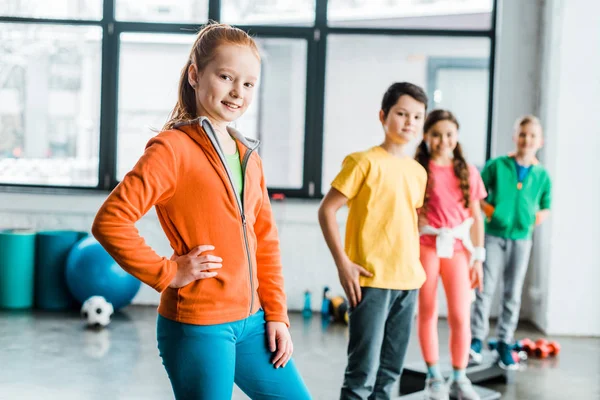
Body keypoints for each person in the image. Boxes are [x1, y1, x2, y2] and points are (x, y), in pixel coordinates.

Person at [92, 22, 311, 400]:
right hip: (199, 324)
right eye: (226, 76)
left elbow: (265, 242)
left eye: (248, 84)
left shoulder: (248, 157)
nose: (237, 92)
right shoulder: (171, 149)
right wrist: (168, 272)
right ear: (196, 74)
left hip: (253, 322)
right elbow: (110, 221)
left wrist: (276, 313)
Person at [318, 82, 428, 400]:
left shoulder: (418, 172)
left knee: (390, 373)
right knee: (361, 373)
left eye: (417, 117)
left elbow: (407, 221)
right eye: (402, 114)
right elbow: (327, 211)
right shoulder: (362, 162)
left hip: (409, 281)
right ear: (384, 116)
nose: (409, 122)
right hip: (371, 280)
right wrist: (343, 264)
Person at [414, 109, 486, 400]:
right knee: (428, 312)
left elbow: (477, 218)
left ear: (456, 137)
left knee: (460, 315)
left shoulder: (467, 170)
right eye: (436, 134)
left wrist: (477, 257)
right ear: (426, 137)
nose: (443, 140)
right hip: (426, 248)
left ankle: (459, 376)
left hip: (457, 250)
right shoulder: (419, 169)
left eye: (449, 134)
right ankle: (434, 377)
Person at [470, 115, 552, 369]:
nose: (527, 140)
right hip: (493, 235)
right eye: (523, 134)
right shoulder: (497, 165)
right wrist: (492, 212)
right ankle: (476, 340)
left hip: (522, 238)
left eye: (532, 136)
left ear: (540, 141)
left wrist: (534, 219)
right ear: (515, 136)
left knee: (513, 292)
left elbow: (547, 204)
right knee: (485, 288)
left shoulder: (541, 175)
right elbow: (477, 193)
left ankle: (505, 341)